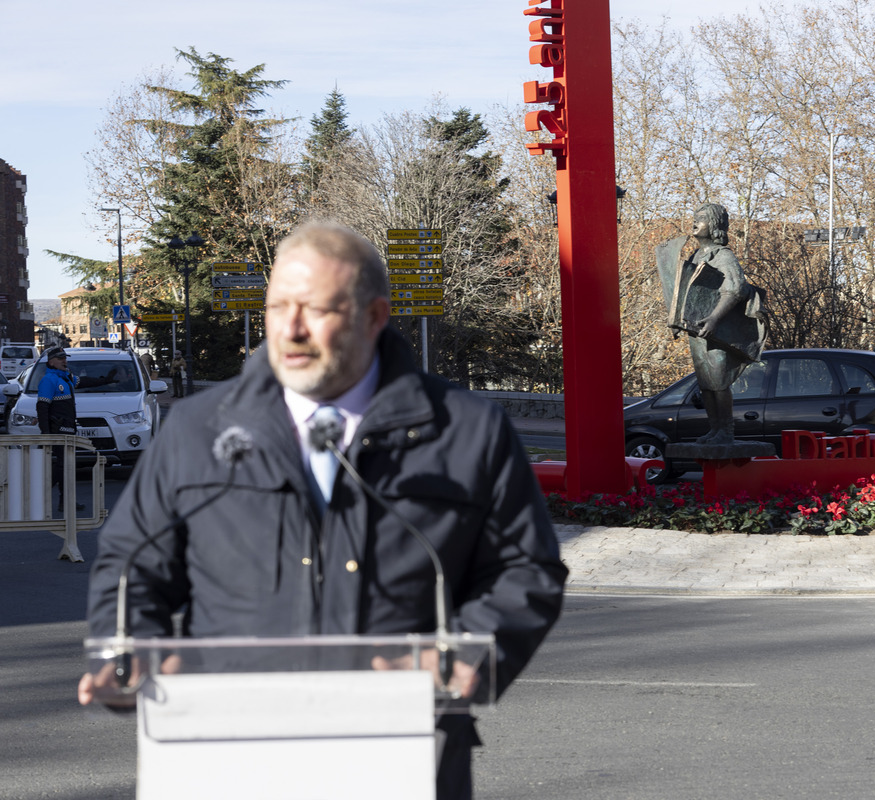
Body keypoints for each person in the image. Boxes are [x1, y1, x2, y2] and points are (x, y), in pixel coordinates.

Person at [79, 220, 568, 799]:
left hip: (403, 748)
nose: (291, 328)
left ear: (374, 317)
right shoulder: (196, 430)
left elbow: (525, 570)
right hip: (224, 748)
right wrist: (128, 651)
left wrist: (466, 656)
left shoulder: (467, 431)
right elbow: (130, 564)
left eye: (316, 309)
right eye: (278, 305)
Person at [673, 203, 766, 444]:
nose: (695, 222)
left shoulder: (723, 255)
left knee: (718, 381)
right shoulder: (696, 256)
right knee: (706, 384)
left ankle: (726, 431)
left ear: (714, 226)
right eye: (695, 217)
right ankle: (714, 429)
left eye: (701, 219)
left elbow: (735, 289)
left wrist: (714, 318)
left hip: (717, 331)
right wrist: (676, 321)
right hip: (696, 330)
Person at [37, 347, 117, 512]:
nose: (65, 361)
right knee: (62, 465)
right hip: (58, 429)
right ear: (51, 361)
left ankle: (64, 502)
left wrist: (106, 380)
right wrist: (46, 433)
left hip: (67, 428)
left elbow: (86, 381)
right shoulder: (49, 380)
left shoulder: (66, 377)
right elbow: (42, 407)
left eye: (65, 358)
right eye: (60, 359)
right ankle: (38, 494)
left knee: (66, 465)